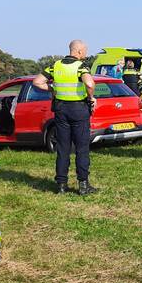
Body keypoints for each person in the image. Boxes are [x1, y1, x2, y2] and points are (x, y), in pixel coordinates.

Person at [33, 40, 98, 195]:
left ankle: (61, 184)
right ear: (80, 51)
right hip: (79, 110)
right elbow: (89, 84)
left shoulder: (55, 66)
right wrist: (91, 98)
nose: (86, 54)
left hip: (61, 110)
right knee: (82, 148)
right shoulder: (81, 67)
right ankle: (83, 185)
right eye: (85, 51)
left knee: (63, 148)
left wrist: (52, 89)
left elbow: (37, 82)